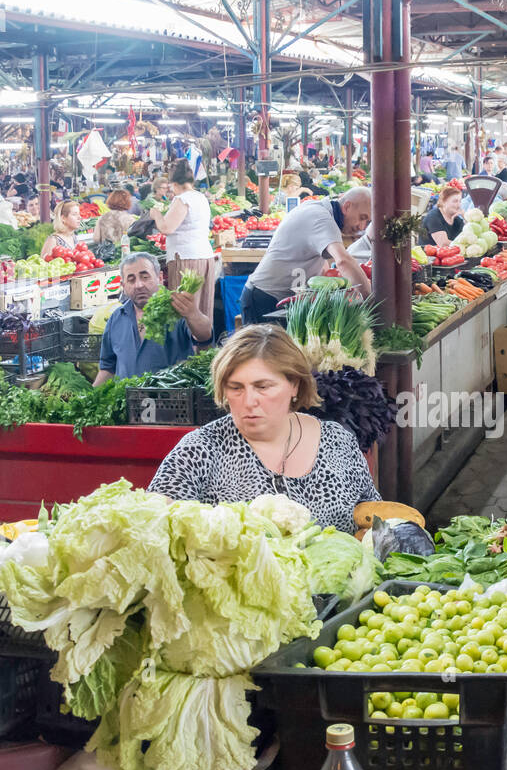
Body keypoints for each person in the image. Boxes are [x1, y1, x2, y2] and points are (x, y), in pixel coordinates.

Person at [147, 325, 380, 531]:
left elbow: (376, 522)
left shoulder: (338, 442)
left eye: (263, 387)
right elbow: (154, 525)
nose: (249, 401)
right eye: (236, 388)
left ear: (295, 385)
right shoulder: (199, 449)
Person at [240, 187, 372, 325]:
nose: (362, 227)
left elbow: (321, 262)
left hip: (284, 299)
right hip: (264, 298)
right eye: (362, 218)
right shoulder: (321, 217)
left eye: (367, 222)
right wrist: (369, 299)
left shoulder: (324, 213)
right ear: (347, 206)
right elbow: (343, 261)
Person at [94, 252, 212, 385]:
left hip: (171, 399)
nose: (139, 285)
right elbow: (107, 369)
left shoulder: (176, 310)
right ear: (123, 286)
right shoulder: (116, 318)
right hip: (128, 401)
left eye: (145, 277)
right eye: (131, 280)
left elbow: (205, 337)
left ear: (160, 278)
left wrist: (193, 314)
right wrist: (89, 400)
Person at [151, 160, 219, 320]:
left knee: (185, 311)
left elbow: (167, 228)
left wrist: (156, 215)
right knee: (202, 309)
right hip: (204, 257)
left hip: (186, 261)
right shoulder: (201, 197)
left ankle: (189, 345)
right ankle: (204, 344)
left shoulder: (183, 199)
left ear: (174, 184)